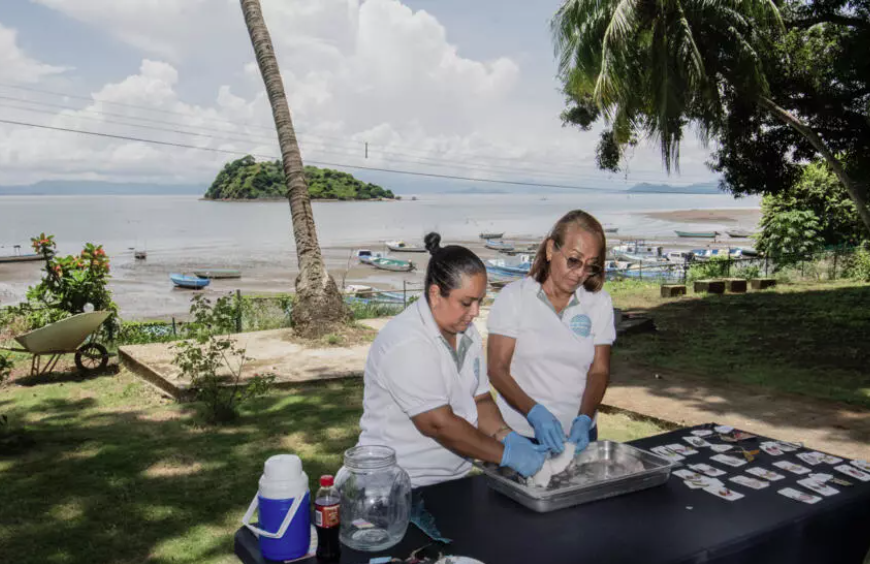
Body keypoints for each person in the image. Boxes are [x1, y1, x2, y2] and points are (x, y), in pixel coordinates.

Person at [357, 233, 548, 487]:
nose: (476, 312)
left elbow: (479, 399)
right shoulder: (407, 342)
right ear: (436, 295)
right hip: (397, 484)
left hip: (451, 480)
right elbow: (438, 424)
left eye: (480, 301)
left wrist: (506, 435)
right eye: (467, 302)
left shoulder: (465, 331)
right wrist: (507, 455)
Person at [487, 210, 616, 455]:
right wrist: (534, 413)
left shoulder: (599, 302)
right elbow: (497, 370)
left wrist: (584, 419)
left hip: (580, 435)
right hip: (523, 435)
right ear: (550, 250)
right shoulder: (515, 297)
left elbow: (599, 370)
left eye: (591, 266)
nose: (580, 273)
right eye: (574, 260)